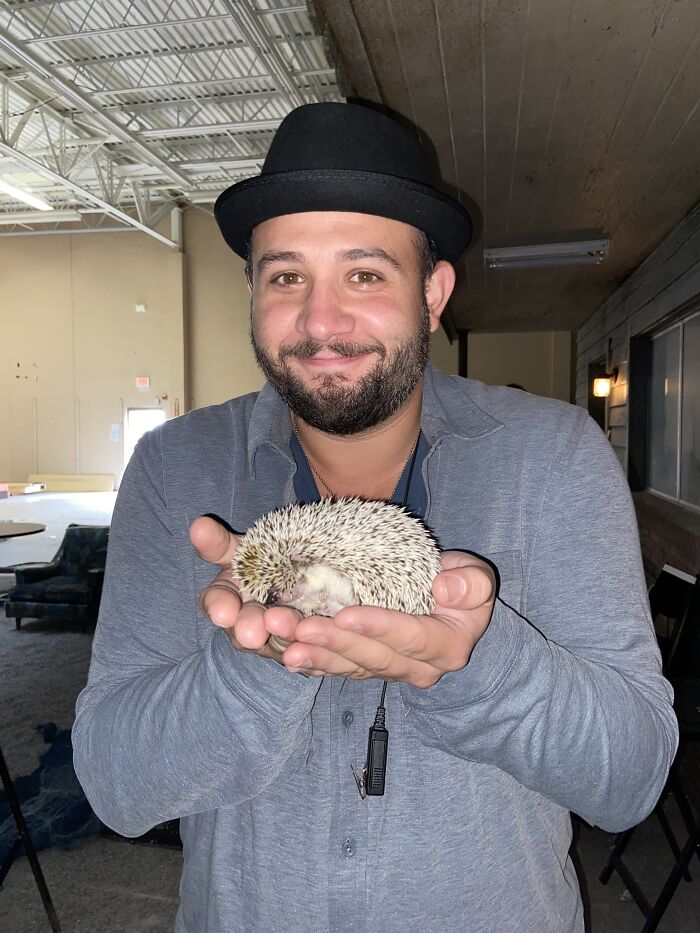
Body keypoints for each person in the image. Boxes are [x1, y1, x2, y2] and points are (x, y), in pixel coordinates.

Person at [73, 102, 677, 933]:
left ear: (433, 293)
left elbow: (630, 777)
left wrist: (477, 660)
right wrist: (257, 659)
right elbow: (115, 783)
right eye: (287, 277)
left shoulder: (556, 457)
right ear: (251, 292)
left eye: (364, 274)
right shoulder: (175, 469)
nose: (321, 321)